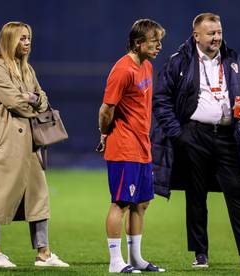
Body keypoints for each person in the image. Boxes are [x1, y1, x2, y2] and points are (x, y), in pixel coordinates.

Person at [151, 13, 240, 269]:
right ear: (196, 36)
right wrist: (178, 134)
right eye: (211, 33)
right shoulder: (179, 61)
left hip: (228, 136)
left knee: (238, 193)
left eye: (219, 32)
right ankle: (200, 254)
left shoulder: (235, 59)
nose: (217, 37)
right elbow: (160, 99)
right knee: (196, 195)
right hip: (194, 136)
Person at [0, 22, 69, 268]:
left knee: (39, 195)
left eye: (29, 38)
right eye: (22, 39)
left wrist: (32, 98)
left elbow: (43, 100)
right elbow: (15, 102)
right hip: (1, 140)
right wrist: (30, 100)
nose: (27, 43)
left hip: (29, 142)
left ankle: (44, 253)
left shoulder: (27, 69)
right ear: (9, 40)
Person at [97, 19, 166, 273]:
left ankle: (136, 259)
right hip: (124, 147)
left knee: (142, 203)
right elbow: (106, 109)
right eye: (154, 41)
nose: (159, 46)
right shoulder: (122, 70)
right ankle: (116, 262)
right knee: (121, 203)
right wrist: (105, 133)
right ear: (138, 43)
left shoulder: (147, 66)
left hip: (142, 146)